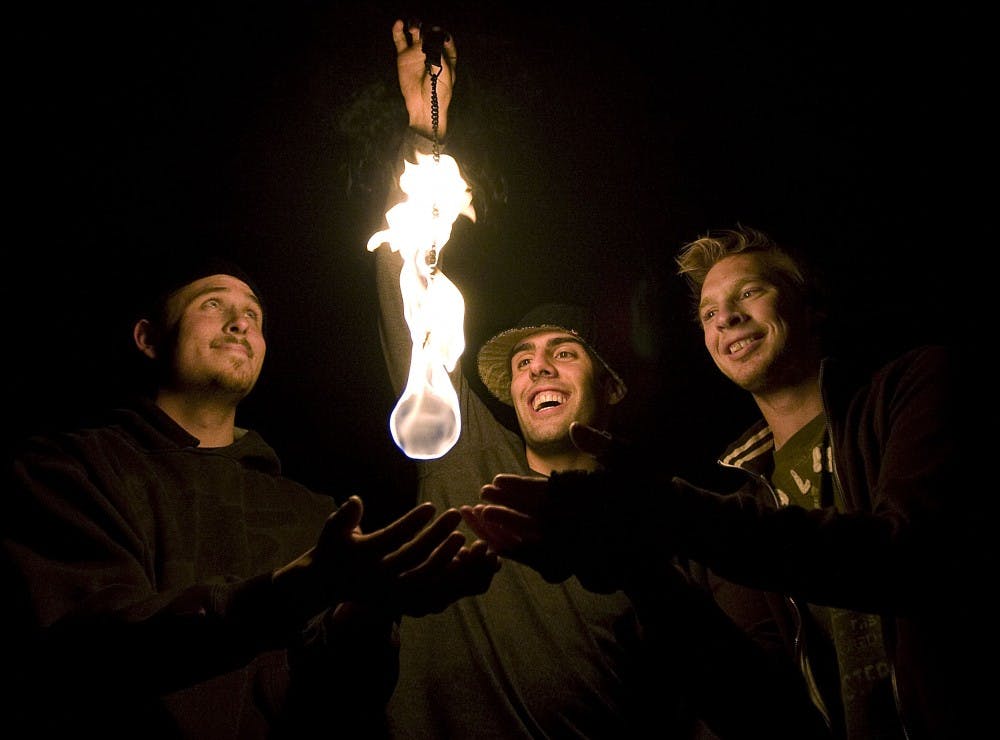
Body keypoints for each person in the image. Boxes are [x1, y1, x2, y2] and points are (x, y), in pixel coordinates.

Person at [370, 21, 831, 740]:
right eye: (522, 363)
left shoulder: (667, 517)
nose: (538, 369)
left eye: (563, 354)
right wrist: (424, 125)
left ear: (611, 386)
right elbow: (411, 280)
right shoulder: (464, 464)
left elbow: (731, 692)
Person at [466, 225, 975, 739]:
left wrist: (668, 511)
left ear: (811, 306)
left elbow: (909, 559)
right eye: (709, 312)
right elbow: (759, 707)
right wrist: (639, 570)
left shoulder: (914, 387)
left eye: (750, 292)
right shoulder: (750, 497)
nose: (726, 317)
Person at [1, 255, 500, 739]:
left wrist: (368, 613)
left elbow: (344, 702)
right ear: (149, 338)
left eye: (253, 315)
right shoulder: (72, 468)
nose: (240, 322)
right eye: (212, 304)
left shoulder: (312, 514)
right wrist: (291, 593)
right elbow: (86, 653)